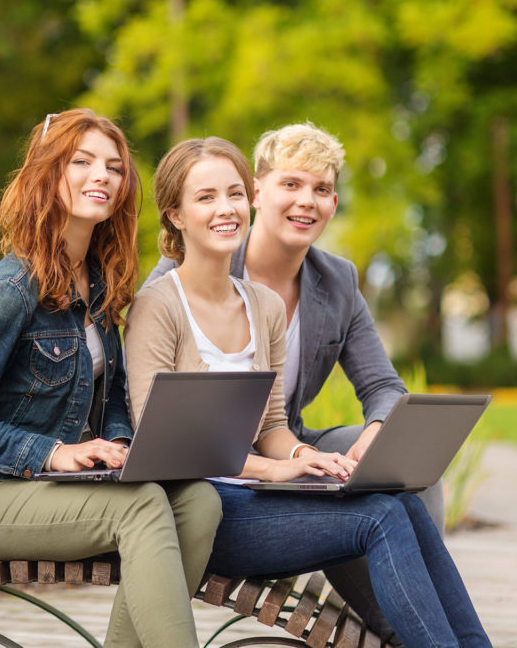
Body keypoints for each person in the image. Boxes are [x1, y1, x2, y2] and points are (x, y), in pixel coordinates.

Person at [126, 137, 491, 648]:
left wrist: (303, 456)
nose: (225, 208)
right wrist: (277, 468)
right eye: (206, 198)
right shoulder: (158, 305)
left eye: (231, 194)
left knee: (397, 502)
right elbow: (164, 441)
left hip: (258, 487)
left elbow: (274, 423)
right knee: (380, 517)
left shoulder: (264, 304)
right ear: (177, 215)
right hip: (197, 504)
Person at [0, 109, 222, 648]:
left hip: (72, 484)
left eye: (114, 167)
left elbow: (112, 391)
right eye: (82, 162)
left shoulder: (98, 278)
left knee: (200, 501)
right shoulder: (10, 291)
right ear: (49, 174)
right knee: (140, 507)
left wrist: (116, 443)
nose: (102, 176)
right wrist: (52, 452)